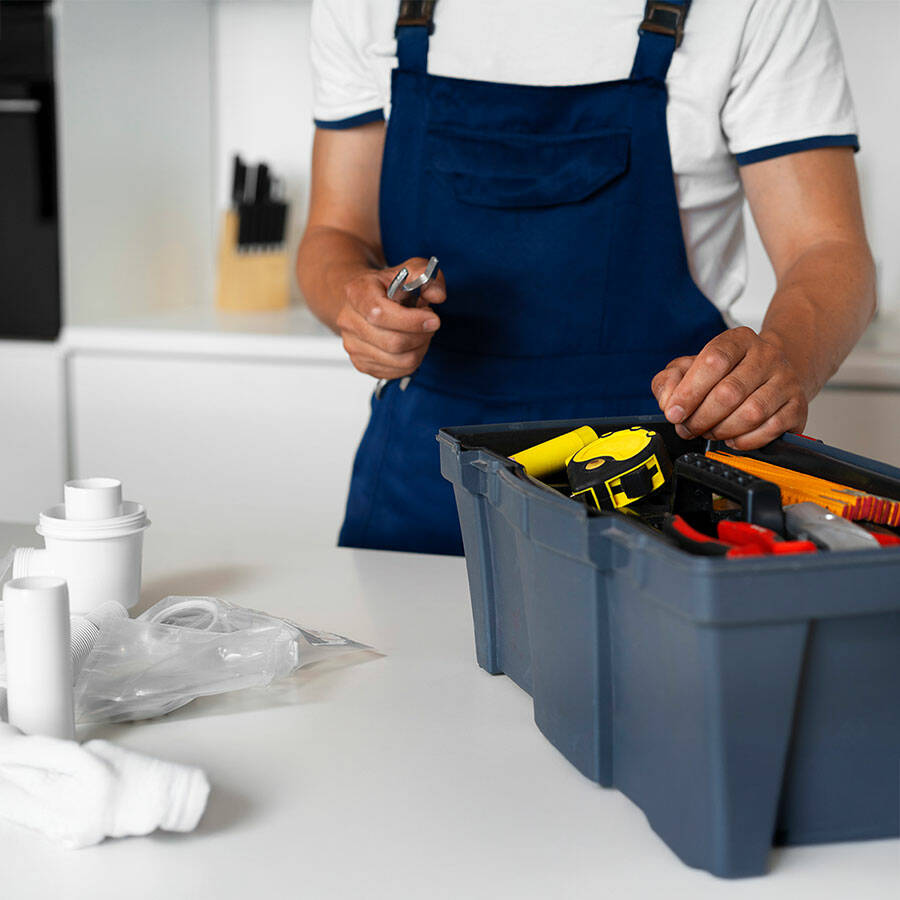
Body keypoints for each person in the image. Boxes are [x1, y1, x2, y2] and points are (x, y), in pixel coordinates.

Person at [297, 0, 875, 556]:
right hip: (425, 477)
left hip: (662, 477)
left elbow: (826, 248)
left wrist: (782, 360)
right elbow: (333, 233)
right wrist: (358, 302)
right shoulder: (366, 5)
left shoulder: (753, 6)